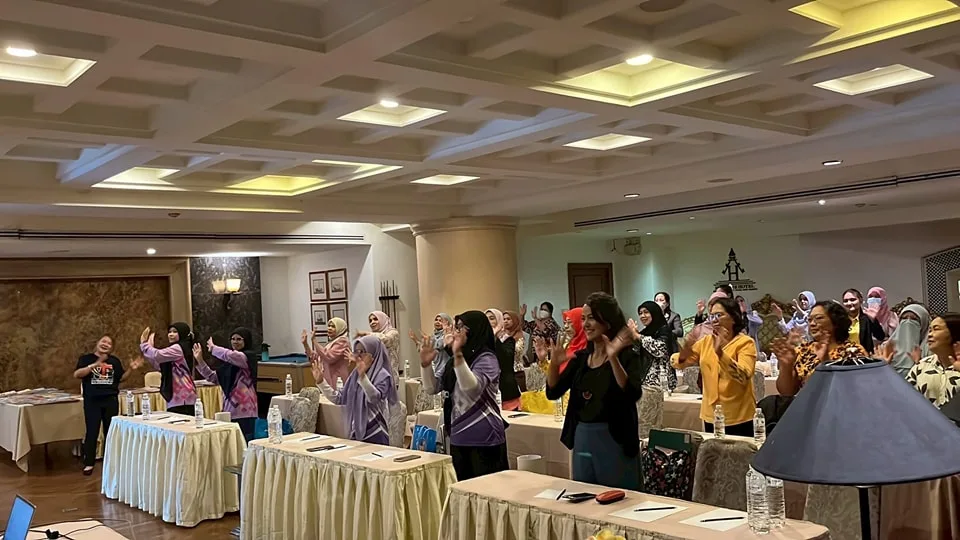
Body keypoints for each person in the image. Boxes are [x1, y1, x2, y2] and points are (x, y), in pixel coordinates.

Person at [547, 292, 649, 490]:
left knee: (619, 499)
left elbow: (632, 394)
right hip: (582, 437)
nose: (585, 324)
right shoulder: (581, 358)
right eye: (583, 318)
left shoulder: (627, 354)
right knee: (584, 496)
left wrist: (613, 358)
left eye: (591, 318)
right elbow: (553, 392)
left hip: (615, 439)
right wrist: (554, 364)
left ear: (607, 321)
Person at [418, 310, 508, 480]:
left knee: (489, 490)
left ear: (474, 330)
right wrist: (425, 365)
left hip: (486, 436)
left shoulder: (487, 358)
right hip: (458, 435)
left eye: (460, 328)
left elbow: (471, 388)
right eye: (456, 328)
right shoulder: (454, 360)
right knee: (463, 490)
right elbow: (432, 388)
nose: (456, 332)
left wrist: (458, 355)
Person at [673, 297, 757, 436]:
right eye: (711, 316)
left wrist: (720, 354)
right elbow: (680, 363)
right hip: (711, 413)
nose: (714, 320)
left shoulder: (745, 343)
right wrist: (683, 354)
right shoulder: (706, 342)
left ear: (734, 318)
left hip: (738, 414)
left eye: (719, 315)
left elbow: (743, 376)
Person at [75, 335, 143, 475]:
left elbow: (121, 378)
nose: (105, 344)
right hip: (92, 401)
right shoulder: (86, 359)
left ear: (111, 348)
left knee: (110, 432)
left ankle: (110, 461)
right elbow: (77, 374)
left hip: (110, 400)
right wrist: (94, 365)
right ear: (97, 343)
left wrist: (131, 369)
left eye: (109, 343)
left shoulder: (114, 361)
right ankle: (89, 463)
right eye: (103, 341)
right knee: (92, 431)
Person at [312, 335, 398, 444]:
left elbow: (374, 399)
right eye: (356, 351)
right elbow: (339, 398)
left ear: (374, 353)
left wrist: (363, 377)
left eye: (363, 352)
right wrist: (321, 382)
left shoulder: (383, 375)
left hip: (377, 433)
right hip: (356, 433)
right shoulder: (355, 375)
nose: (358, 356)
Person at [772, 301, 868, 396]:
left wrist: (825, 361)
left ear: (836, 322)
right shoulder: (804, 350)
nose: (812, 324)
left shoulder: (852, 351)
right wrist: (786, 366)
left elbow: (861, 387)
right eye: (809, 320)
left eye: (818, 318)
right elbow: (787, 392)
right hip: (809, 404)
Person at [192, 328, 259, 442]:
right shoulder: (229, 363)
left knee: (245, 442)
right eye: (233, 339)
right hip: (229, 409)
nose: (235, 342)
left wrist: (214, 348)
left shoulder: (247, 357)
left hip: (245, 410)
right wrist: (200, 360)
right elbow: (213, 378)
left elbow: (230, 355)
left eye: (239, 339)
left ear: (246, 341)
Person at [140, 322, 198, 415]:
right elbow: (159, 364)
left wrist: (144, 344)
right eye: (170, 332)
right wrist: (149, 349)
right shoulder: (176, 348)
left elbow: (157, 355)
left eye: (175, 332)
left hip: (183, 396)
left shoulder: (178, 348)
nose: (171, 334)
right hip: (176, 396)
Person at [905, 314, 960, 408]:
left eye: (936, 329)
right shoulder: (921, 366)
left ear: (954, 333)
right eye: (930, 330)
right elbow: (904, 397)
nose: (930, 335)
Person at [628, 301, 676, 390]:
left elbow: (660, 350)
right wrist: (633, 338)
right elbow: (636, 353)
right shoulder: (643, 333)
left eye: (646, 312)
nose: (642, 316)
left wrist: (638, 336)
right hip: (645, 381)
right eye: (640, 313)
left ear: (654, 313)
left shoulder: (664, 330)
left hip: (662, 381)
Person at [878, 304, 929, 378]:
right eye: (904, 318)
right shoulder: (886, 347)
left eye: (914, 319)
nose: (908, 322)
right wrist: (881, 365)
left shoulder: (930, 350)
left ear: (924, 323)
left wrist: (919, 363)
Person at [486, 308, 522, 411]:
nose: (488, 321)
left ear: (499, 320)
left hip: (505, 388)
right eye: (486, 318)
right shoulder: (482, 341)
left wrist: (495, 338)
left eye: (492, 318)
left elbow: (506, 360)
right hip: (487, 388)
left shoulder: (507, 339)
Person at [301, 317, 351, 388]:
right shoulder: (332, 342)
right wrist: (305, 344)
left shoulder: (343, 341)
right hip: (328, 379)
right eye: (329, 326)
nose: (329, 328)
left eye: (333, 326)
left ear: (340, 328)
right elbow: (317, 358)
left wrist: (314, 341)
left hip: (338, 381)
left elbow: (329, 357)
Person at [359, 311, 401, 386]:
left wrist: (368, 334)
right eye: (370, 321)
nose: (372, 322)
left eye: (375, 319)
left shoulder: (393, 332)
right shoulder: (372, 337)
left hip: (389, 377)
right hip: (375, 377)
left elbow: (386, 340)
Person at [841, 288, 886, 353]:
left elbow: (880, 337)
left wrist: (873, 320)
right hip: (844, 355)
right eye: (845, 301)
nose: (849, 303)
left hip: (864, 355)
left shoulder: (867, 318)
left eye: (852, 300)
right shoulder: (840, 319)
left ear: (861, 300)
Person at [409, 313, 453, 378]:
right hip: (435, 368)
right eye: (436, 320)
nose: (437, 322)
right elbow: (426, 350)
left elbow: (439, 346)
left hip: (445, 369)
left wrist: (446, 332)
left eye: (440, 321)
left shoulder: (449, 336)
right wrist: (415, 340)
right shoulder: (433, 336)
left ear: (447, 323)